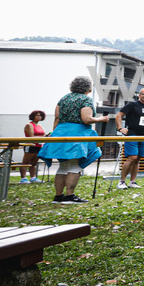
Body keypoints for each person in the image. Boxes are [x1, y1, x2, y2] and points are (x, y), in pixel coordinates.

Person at [38, 75, 110, 204]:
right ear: (88, 88)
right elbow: (86, 119)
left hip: (60, 132)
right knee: (75, 165)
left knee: (63, 166)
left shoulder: (64, 99)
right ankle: (70, 196)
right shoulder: (85, 100)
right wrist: (101, 119)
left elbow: (57, 118)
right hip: (77, 133)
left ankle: (58, 196)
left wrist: (54, 135)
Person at [115, 88, 144, 189]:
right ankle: (121, 181)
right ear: (139, 95)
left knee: (138, 159)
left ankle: (132, 182)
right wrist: (120, 128)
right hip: (132, 134)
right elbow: (119, 115)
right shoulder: (132, 104)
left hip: (143, 136)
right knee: (132, 157)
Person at [19, 110, 46, 183]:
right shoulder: (29, 125)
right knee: (26, 162)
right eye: (37, 115)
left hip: (39, 145)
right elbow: (31, 136)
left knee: (34, 162)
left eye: (40, 116)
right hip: (30, 145)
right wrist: (43, 137)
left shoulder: (40, 126)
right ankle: (23, 178)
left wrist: (45, 136)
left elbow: (44, 135)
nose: (39, 117)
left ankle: (33, 177)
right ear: (33, 116)